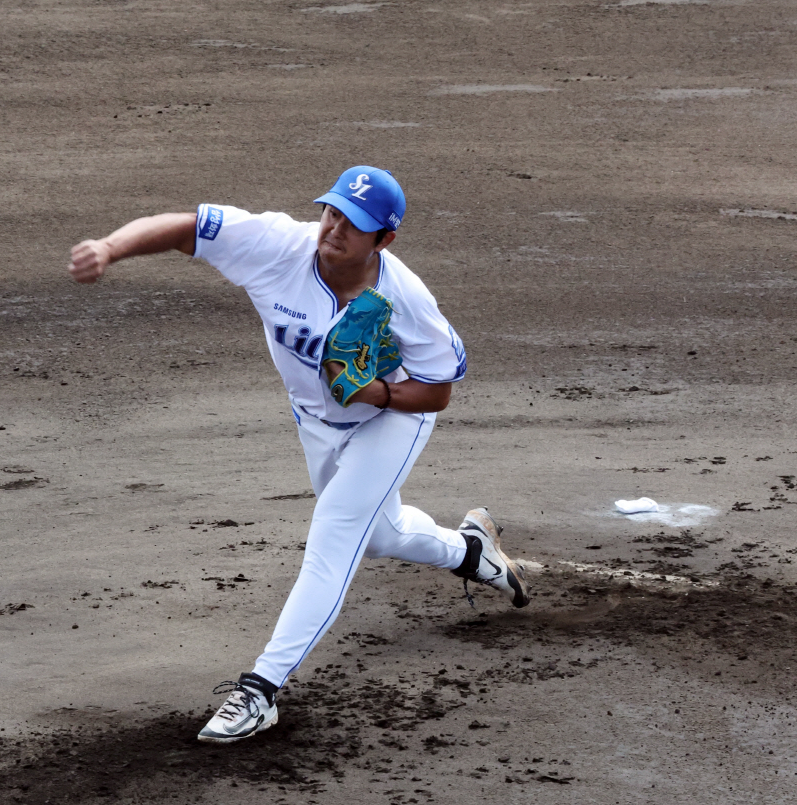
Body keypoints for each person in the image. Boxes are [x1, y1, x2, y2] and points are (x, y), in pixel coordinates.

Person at [68, 166, 530, 744]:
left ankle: (259, 690)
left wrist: (380, 392)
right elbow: (184, 228)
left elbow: (438, 390)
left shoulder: (405, 298)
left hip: (391, 421)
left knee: (335, 533)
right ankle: (470, 552)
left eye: (353, 223)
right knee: (380, 534)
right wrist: (109, 248)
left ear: (383, 240)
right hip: (316, 422)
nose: (333, 228)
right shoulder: (275, 245)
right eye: (331, 211)